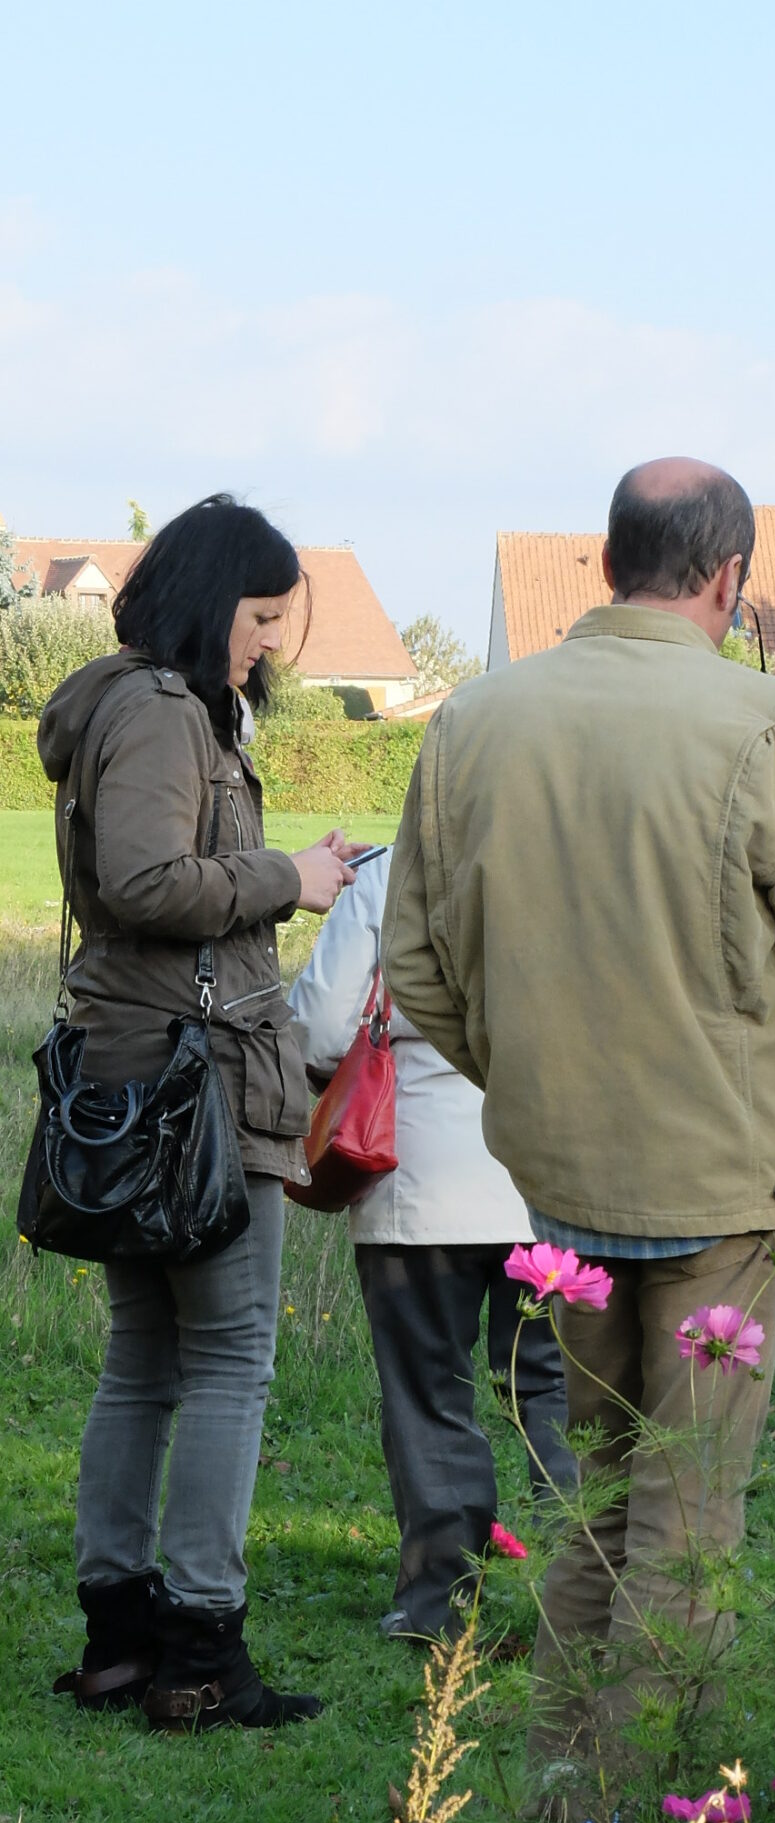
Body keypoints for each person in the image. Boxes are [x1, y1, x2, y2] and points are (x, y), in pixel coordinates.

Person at [382, 458, 775, 1823]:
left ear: (605, 562)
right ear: (730, 578)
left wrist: (530, 1079)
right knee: (689, 1518)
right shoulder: (764, 719)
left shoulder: (476, 721)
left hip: (560, 1177)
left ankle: (563, 1804)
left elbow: (418, 967)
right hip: (726, 1179)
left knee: (605, 1501)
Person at [38, 496, 357, 1732]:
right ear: (215, 598)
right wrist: (296, 879)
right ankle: (200, 1654)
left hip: (133, 1057)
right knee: (226, 1355)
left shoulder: (121, 704)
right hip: (193, 1078)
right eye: (263, 616)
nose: (269, 644)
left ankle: (122, 1642)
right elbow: (147, 879)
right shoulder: (167, 714)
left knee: (145, 1358)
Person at [288, 847, 579, 1643]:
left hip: (418, 1183)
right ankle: (593, 1594)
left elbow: (316, 1025)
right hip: (552, 1176)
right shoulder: (572, 864)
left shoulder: (391, 873)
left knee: (429, 1397)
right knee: (556, 1394)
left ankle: (437, 1606)